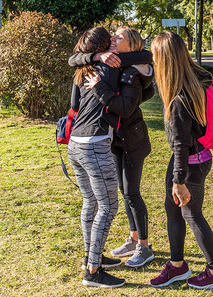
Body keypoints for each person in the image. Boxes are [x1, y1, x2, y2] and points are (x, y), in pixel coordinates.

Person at [149, 31, 213, 290]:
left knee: (191, 214)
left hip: (188, 163)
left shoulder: (179, 99)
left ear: (164, 60)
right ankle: (177, 266)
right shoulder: (199, 80)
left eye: (154, 56)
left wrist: (179, 180)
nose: (152, 60)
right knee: (173, 209)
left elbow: (181, 144)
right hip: (199, 157)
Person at [81, 26, 155, 268]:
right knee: (125, 192)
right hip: (117, 139)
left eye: (119, 36)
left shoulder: (133, 72)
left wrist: (99, 88)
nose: (113, 38)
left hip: (132, 140)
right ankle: (134, 239)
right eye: (113, 34)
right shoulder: (120, 66)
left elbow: (124, 107)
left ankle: (145, 246)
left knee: (132, 192)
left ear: (131, 45)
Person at [67, 26, 124, 288]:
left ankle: (92, 256)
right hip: (94, 145)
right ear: (103, 47)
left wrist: (95, 57)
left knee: (90, 202)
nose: (116, 41)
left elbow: (75, 106)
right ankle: (93, 271)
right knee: (108, 206)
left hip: (75, 144)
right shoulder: (110, 66)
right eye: (111, 39)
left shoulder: (81, 71)